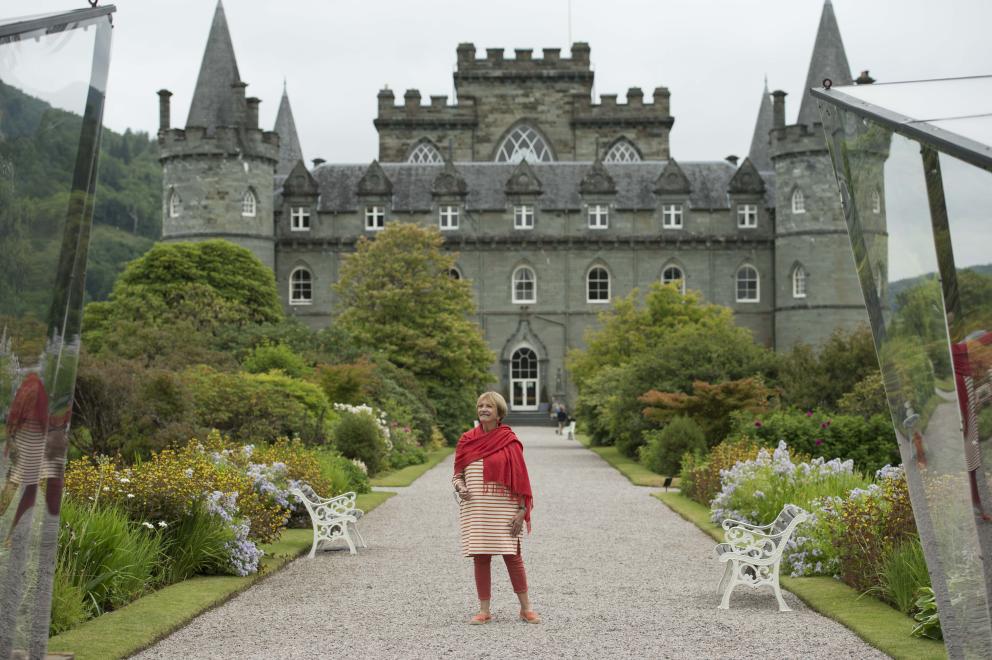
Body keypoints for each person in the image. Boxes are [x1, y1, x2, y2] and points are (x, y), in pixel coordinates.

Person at [452, 391, 539, 624]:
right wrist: (461, 488)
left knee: (513, 556)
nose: (483, 409)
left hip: (504, 509)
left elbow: (521, 478)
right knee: (480, 558)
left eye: (488, 406)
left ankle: (526, 608)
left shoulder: (509, 441)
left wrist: (522, 511)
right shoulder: (466, 439)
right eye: (480, 405)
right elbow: (457, 475)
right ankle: (484, 610)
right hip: (476, 510)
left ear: (499, 412)